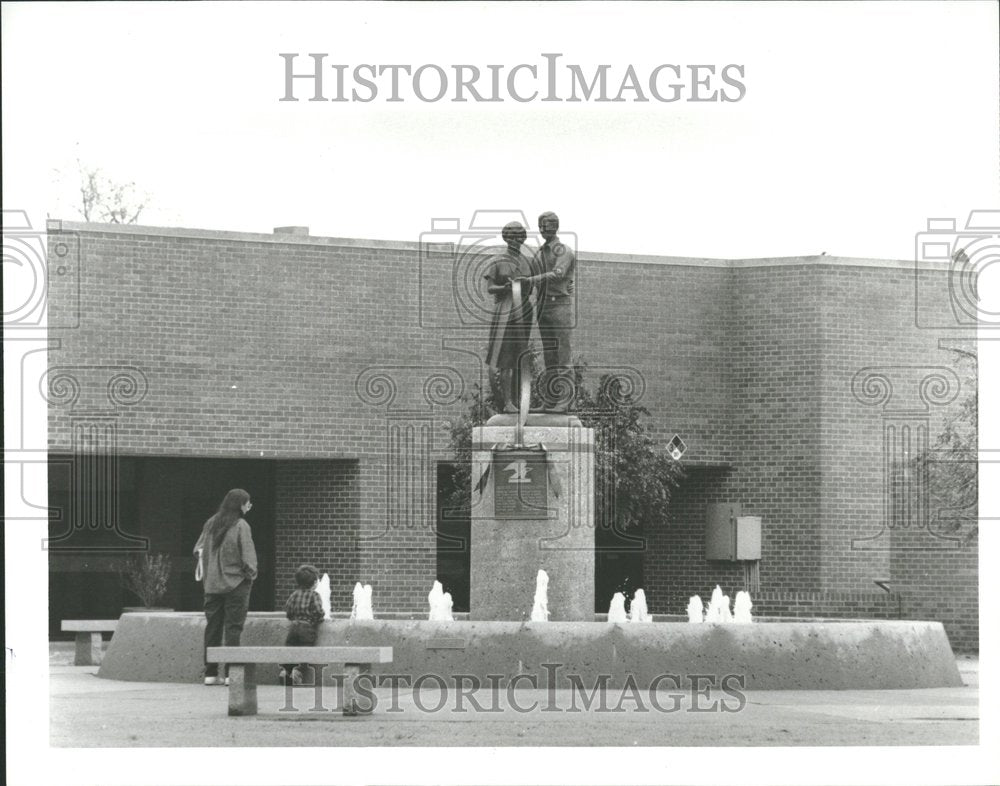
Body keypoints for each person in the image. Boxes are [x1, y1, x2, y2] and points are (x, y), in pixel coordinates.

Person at [193, 488, 258, 685]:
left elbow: (197, 550)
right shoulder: (241, 525)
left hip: (211, 586)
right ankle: (232, 673)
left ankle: (210, 673)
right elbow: (248, 558)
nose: (249, 506)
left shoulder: (211, 522)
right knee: (233, 628)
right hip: (236, 584)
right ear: (240, 505)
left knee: (212, 628)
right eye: (248, 502)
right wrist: (250, 576)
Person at [520, 211, 577, 412]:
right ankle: (550, 400)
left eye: (546, 225)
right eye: (540, 225)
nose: (542, 229)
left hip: (560, 305)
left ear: (555, 226)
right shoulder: (539, 253)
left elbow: (558, 274)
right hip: (543, 306)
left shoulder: (564, 251)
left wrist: (532, 281)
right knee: (549, 357)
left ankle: (564, 401)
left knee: (563, 357)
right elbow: (530, 274)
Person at [484, 221, 536, 413]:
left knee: (519, 356)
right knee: (505, 357)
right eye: (512, 236)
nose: (516, 240)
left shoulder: (527, 262)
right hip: (505, 309)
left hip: (523, 311)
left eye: (520, 236)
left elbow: (537, 283)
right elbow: (490, 288)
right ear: (506, 238)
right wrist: (505, 288)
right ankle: (507, 401)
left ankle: (520, 400)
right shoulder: (497, 261)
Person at [279, 564, 325, 686]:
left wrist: (293, 618)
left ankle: (286, 670)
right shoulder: (314, 595)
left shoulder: (294, 594)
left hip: (294, 626)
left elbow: (288, 609)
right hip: (307, 627)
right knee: (304, 651)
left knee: (290, 648)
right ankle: (297, 671)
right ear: (315, 582)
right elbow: (318, 612)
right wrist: (318, 620)